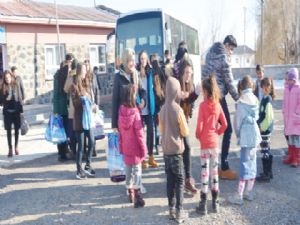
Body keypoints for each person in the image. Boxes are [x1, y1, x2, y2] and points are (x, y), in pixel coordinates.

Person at [202, 35, 239, 180]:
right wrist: (239, 99)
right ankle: (223, 167)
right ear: (227, 45)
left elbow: (205, 75)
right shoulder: (223, 58)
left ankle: (211, 164)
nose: (231, 52)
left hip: (208, 98)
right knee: (228, 129)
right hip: (219, 98)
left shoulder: (209, 55)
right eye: (232, 49)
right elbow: (229, 83)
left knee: (211, 131)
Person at [195, 75, 227, 215]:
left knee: (204, 173)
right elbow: (225, 124)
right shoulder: (218, 105)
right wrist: (217, 133)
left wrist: (199, 136)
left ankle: (203, 205)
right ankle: (215, 203)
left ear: (206, 91)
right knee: (214, 173)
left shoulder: (202, 106)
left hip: (204, 144)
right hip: (214, 144)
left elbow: (199, 126)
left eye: (203, 90)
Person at [159, 76, 189, 223]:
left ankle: (170, 209)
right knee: (180, 180)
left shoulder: (162, 109)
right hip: (177, 152)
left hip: (166, 152)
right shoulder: (178, 109)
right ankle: (179, 211)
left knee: (169, 181)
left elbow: (161, 129)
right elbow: (185, 131)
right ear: (176, 91)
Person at [229, 75, 261, 205]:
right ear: (252, 86)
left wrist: (238, 135)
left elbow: (237, 122)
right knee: (252, 163)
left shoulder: (241, 102)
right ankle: (249, 191)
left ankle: (239, 195)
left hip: (245, 136)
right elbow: (257, 117)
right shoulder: (255, 100)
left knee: (244, 164)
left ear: (241, 87)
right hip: (255, 135)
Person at [118, 84, 147, 208]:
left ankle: (129, 191)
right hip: (135, 147)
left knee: (128, 170)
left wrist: (121, 146)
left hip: (126, 146)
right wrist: (144, 149)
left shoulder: (120, 111)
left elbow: (120, 130)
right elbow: (139, 133)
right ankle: (137, 193)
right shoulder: (135, 112)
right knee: (137, 170)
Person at [177, 59, 199, 195]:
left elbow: (189, 101)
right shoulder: (177, 84)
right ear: (181, 73)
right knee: (182, 149)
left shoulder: (188, 84)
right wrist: (194, 94)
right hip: (175, 121)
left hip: (184, 120)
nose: (188, 76)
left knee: (185, 148)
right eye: (186, 73)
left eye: (190, 73)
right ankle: (184, 180)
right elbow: (185, 99)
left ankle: (187, 179)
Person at [70, 63, 95, 179]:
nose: (86, 72)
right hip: (80, 120)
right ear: (80, 71)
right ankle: (78, 170)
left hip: (88, 119)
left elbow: (91, 99)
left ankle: (88, 165)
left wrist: (92, 103)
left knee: (92, 141)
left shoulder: (87, 84)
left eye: (86, 70)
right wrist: (83, 99)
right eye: (84, 70)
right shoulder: (74, 85)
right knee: (81, 146)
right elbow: (75, 103)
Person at [111, 48, 146, 131]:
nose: (133, 64)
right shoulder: (118, 76)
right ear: (125, 60)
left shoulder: (136, 74)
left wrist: (143, 100)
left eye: (134, 61)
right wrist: (114, 125)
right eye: (131, 61)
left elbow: (142, 91)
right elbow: (114, 101)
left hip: (135, 118)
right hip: (123, 120)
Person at [136, 50, 159, 168]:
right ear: (139, 60)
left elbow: (154, 87)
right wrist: (139, 102)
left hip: (149, 108)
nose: (143, 61)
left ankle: (150, 156)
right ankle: (142, 158)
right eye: (141, 59)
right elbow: (135, 90)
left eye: (145, 59)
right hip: (140, 108)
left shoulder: (150, 71)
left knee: (151, 132)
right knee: (140, 135)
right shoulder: (135, 72)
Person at [53, 55, 72, 162]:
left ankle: (66, 151)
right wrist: (55, 111)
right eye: (67, 67)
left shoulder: (69, 77)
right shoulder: (58, 77)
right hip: (60, 109)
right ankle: (61, 153)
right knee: (61, 132)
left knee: (67, 131)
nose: (68, 69)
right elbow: (55, 95)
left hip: (68, 108)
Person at [0, 70, 23, 157]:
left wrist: (22, 111)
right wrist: (5, 99)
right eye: (6, 78)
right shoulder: (2, 87)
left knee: (17, 130)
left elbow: (20, 97)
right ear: (4, 79)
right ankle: (10, 149)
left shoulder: (15, 85)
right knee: (8, 131)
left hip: (16, 111)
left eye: (9, 77)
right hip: (7, 113)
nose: (8, 79)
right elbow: (0, 101)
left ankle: (16, 146)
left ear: (11, 77)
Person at [256, 77, 275, 182]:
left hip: (265, 131)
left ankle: (266, 174)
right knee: (266, 150)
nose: (262, 89)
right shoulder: (264, 98)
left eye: (262, 87)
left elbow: (268, 117)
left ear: (266, 87)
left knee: (265, 151)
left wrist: (262, 128)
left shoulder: (267, 100)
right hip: (263, 130)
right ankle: (268, 172)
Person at [282, 68, 300, 168]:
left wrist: (297, 112)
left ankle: (296, 158)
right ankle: (291, 156)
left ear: (295, 80)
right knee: (290, 138)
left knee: (297, 139)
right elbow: (284, 101)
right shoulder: (286, 88)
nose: (289, 81)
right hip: (288, 118)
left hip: (296, 118)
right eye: (288, 80)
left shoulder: (298, 88)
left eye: (291, 80)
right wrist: (284, 110)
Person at [64, 57, 78, 159]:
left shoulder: (71, 75)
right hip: (82, 108)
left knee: (72, 131)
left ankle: (73, 151)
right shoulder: (82, 74)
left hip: (73, 109)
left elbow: (65, 89)